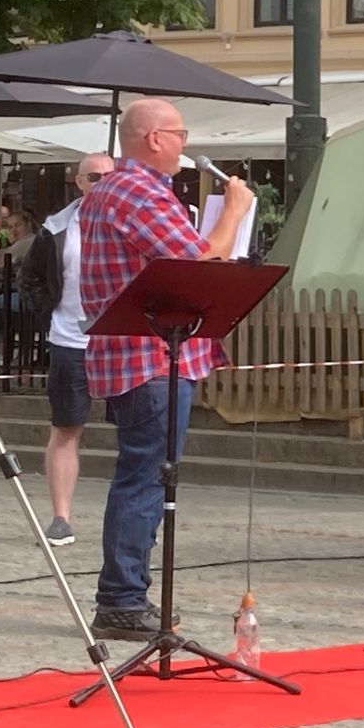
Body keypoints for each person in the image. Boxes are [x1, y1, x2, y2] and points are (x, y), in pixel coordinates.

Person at [79, 101, 253, 640]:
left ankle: (128, 593)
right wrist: (233, 212)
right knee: (146, 478)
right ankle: (122, 598)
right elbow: (201, 263)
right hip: (148, 358)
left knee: (148, 476)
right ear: (154, 138)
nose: (184, 143)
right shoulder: (139, 191)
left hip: (150, 357)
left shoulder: (116, 189)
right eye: (179, 134)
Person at [17, 153, 115, 546]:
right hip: (71, 340)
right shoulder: (57, 228)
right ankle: (61, 516)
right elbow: (31, 278)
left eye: (111, 176)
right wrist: (52, 315)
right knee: (66, 427)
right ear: (79, 182)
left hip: (124, 343)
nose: (103, 183)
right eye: (95, 177)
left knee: (138, 430)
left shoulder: (134, 221)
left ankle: (135, 518)